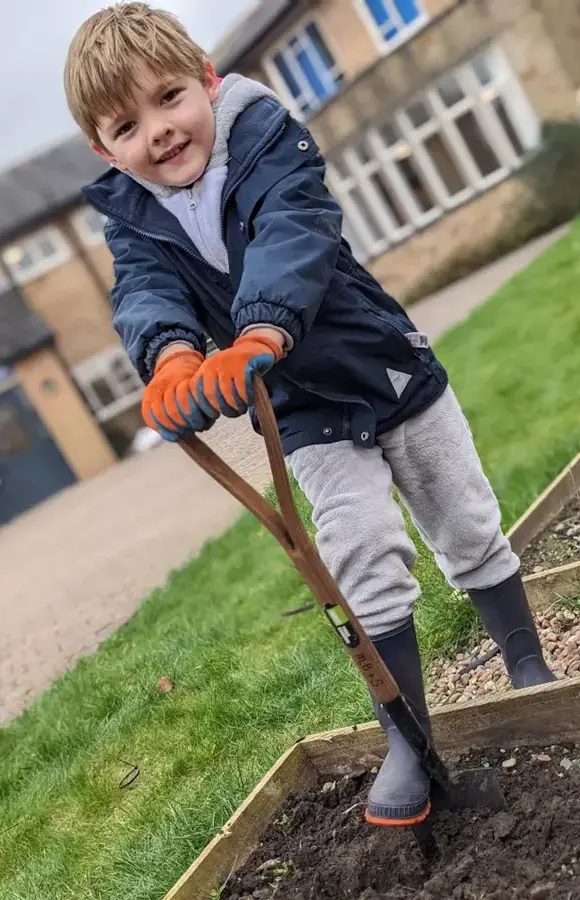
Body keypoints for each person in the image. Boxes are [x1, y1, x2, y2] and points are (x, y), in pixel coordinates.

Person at [65, 2, 554, 828]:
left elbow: (295, 232)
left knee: (462, 520)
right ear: (102, 149)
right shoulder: (133, 217)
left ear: (209, 84)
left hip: (384, 366)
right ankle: (408, 735)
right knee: (359, 550)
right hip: (299, 407)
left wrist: (258, 328)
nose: (158, 130)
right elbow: (147, 291)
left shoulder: (263, 138)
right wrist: (172, 355)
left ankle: (527, 660)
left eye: (171, 97)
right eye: (126, 124)